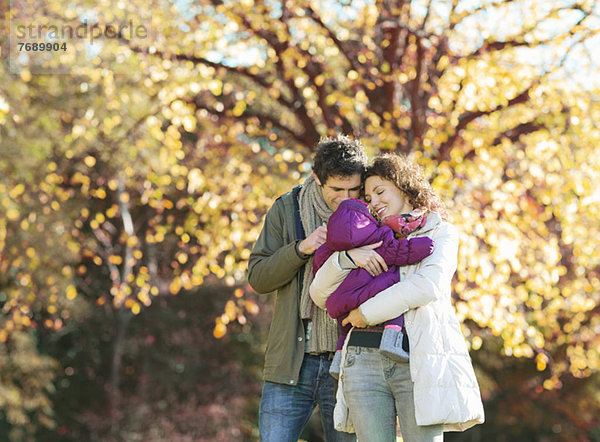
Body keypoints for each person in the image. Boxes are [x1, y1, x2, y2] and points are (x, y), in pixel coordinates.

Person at [310, 154, 485, 441]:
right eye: (368, 197)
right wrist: (347, 259)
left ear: (404, 188)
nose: (374, 202)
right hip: (361, 359)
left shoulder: (440, 232)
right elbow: (319, 294)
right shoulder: (364, 236)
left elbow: (426, 286)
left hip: (416, 357)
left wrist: (364, 314)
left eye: (380, 191)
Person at [247, 134, 367, 441]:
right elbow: (258, 277)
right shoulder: (286, 209)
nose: (347, 196)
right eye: (337, 189)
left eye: (354, 188)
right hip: (292, 362)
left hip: (348, 364)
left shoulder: (372, 210)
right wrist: (300, 249)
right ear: (317, 178)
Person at [311, 198, 435, 369]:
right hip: (370, 292)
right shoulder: (377, 237)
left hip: (340, 301)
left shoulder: (329, 246)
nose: (375, 203)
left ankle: (338, 358)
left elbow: (318, 265)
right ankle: (391, 340)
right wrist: (426, 245)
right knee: (395, 284)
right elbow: (399, 251)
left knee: (344, 327)